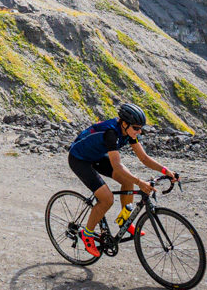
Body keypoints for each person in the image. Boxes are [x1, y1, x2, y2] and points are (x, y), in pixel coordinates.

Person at [68, 103, 179, 258]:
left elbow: (144, 158)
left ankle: (123, 220)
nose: (139, 132)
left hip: (97, 156)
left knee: (128, 181)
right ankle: (87, 235)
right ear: (124, 124)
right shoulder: (111, 133)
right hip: (79, 159)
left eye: (141, 128)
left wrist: (166, 171)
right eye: (136, 128)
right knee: (107, 199)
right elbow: (117, 166)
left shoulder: (128, 132)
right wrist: (141, 182)